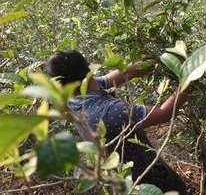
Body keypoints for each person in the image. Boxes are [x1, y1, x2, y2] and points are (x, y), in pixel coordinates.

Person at [45, 50, 189, 194]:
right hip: (149, 178)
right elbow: (164, 113)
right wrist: (190, 77)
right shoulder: (111, 111)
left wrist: (156, 60)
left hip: (121, 180)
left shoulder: (73, 98)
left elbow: (127, 72)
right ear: (89, 69)